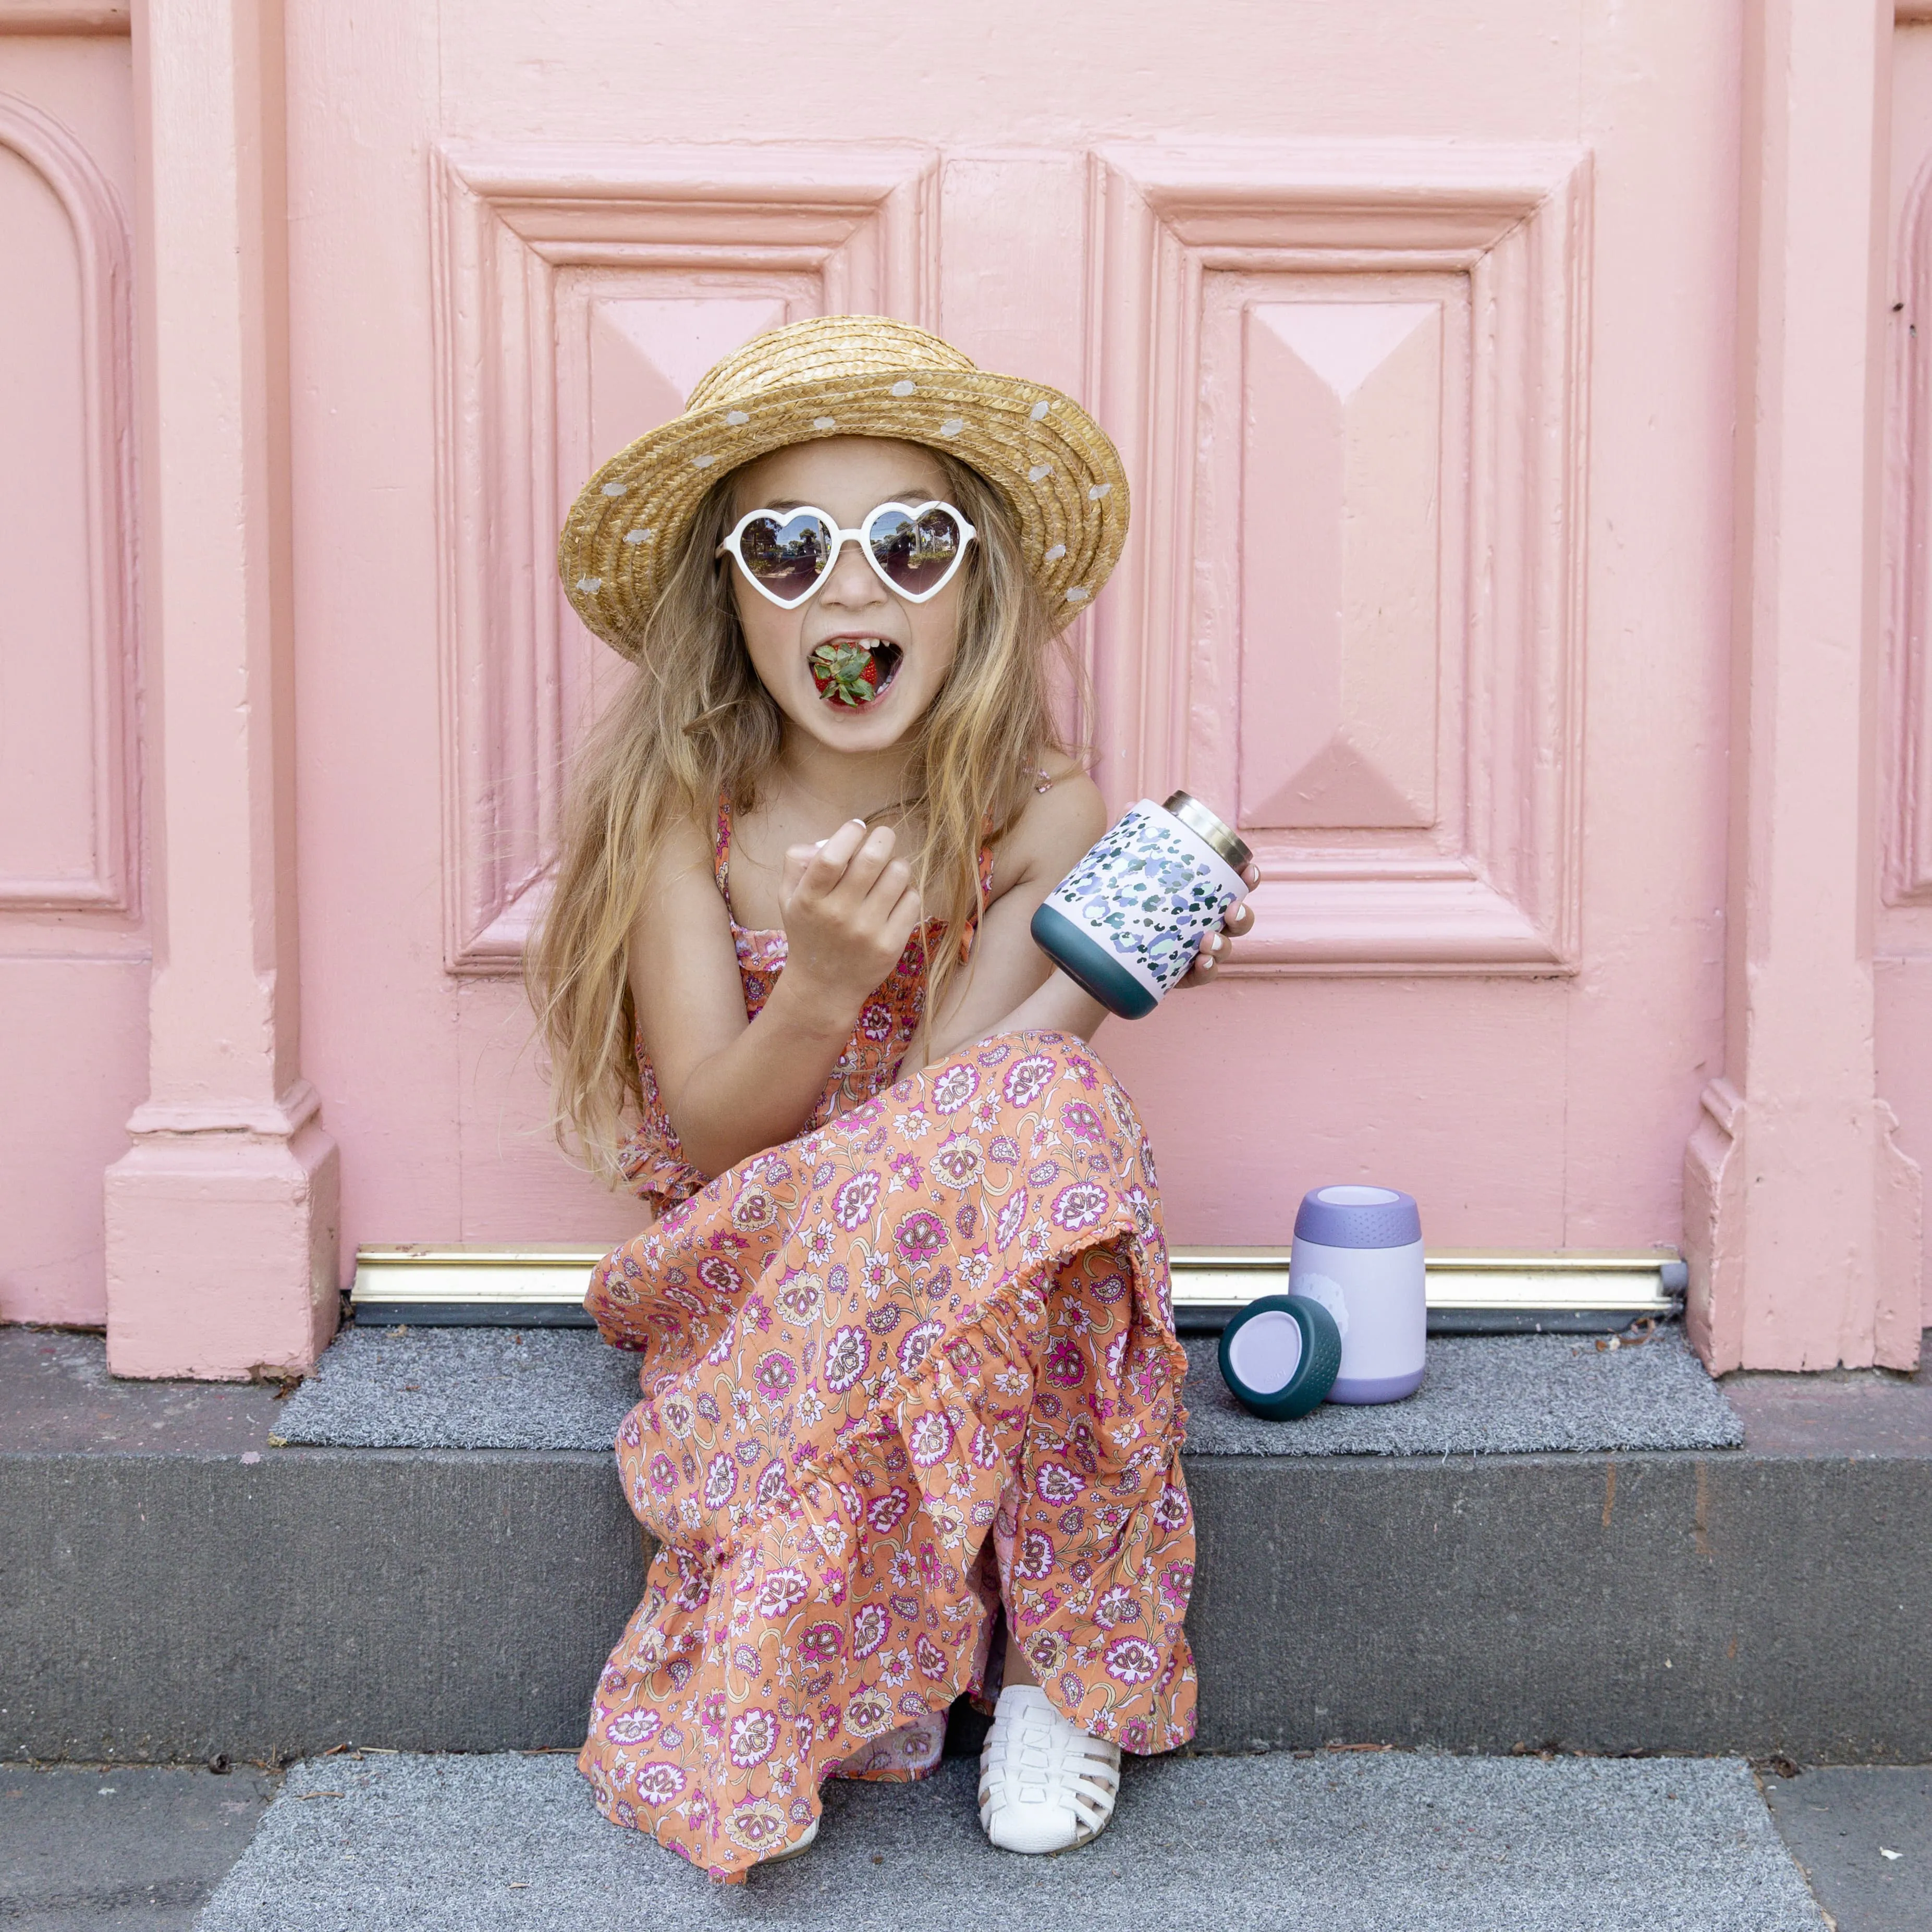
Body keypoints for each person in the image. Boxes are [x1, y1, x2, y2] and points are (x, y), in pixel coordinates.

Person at [529, 315, 1257, 1882]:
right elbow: (724, 1133)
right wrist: (823, 983)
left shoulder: (1032, 807)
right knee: (1043, 1122)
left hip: (955, 1238)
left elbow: (950, 1105)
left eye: (907, 545)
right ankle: (988, 1645)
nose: (849, 589)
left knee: (1051, 1116)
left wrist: (1109, 963)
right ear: (728, 595)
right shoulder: (690, 818)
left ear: (972, 587)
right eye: (786, 548)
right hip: (761, 1269)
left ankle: (1064, 1671)